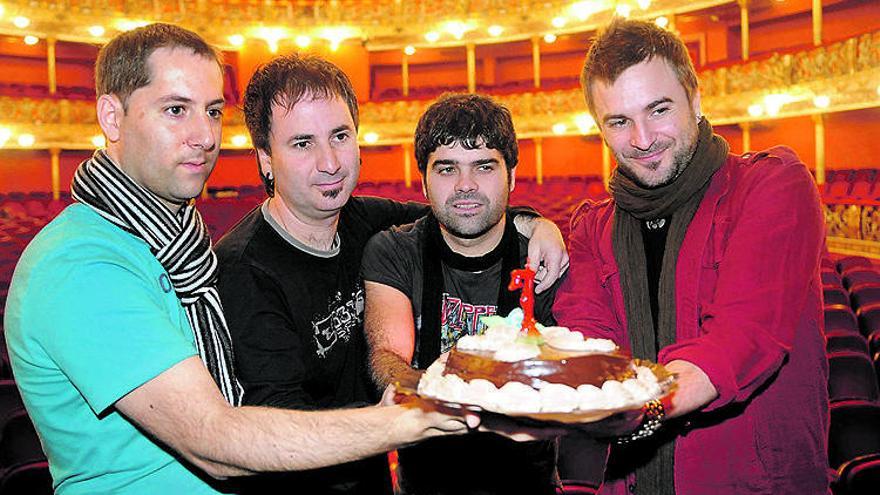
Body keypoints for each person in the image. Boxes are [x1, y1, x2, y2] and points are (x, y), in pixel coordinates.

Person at [3, 23, 480, 495]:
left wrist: (525, 223)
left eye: (212, 112)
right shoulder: (83, 267)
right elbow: (213, 442)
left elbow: (455, 223)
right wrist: (419, 416)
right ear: (112, 117)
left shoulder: (175, 247)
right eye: (175, 110)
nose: (205, 136)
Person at [213, 55, 569, 493]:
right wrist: (415, 412)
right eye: (302, 143)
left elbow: (462, 213)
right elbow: (278, 427)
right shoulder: (243, 268)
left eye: (340, 136)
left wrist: (537, 224)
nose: (330, 162)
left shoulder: (365, 221)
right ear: (265, 158)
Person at [552, 19, 829, 495]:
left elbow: (743, 336)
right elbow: (590, 346)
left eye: (658, 110)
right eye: (619, 121)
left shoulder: (772, 185)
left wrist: (635, 405)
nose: (642, 139)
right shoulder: (590, 227)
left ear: (695, 100)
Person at [361, 94, 562, 495]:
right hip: (427, 479)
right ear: (423, 180)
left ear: (511, 175)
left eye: (484, 167)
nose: (465, 186)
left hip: (529, 480)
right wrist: (436, 393)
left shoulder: (546, 258)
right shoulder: (393, 250)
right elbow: (387, 355)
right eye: (447, 168)